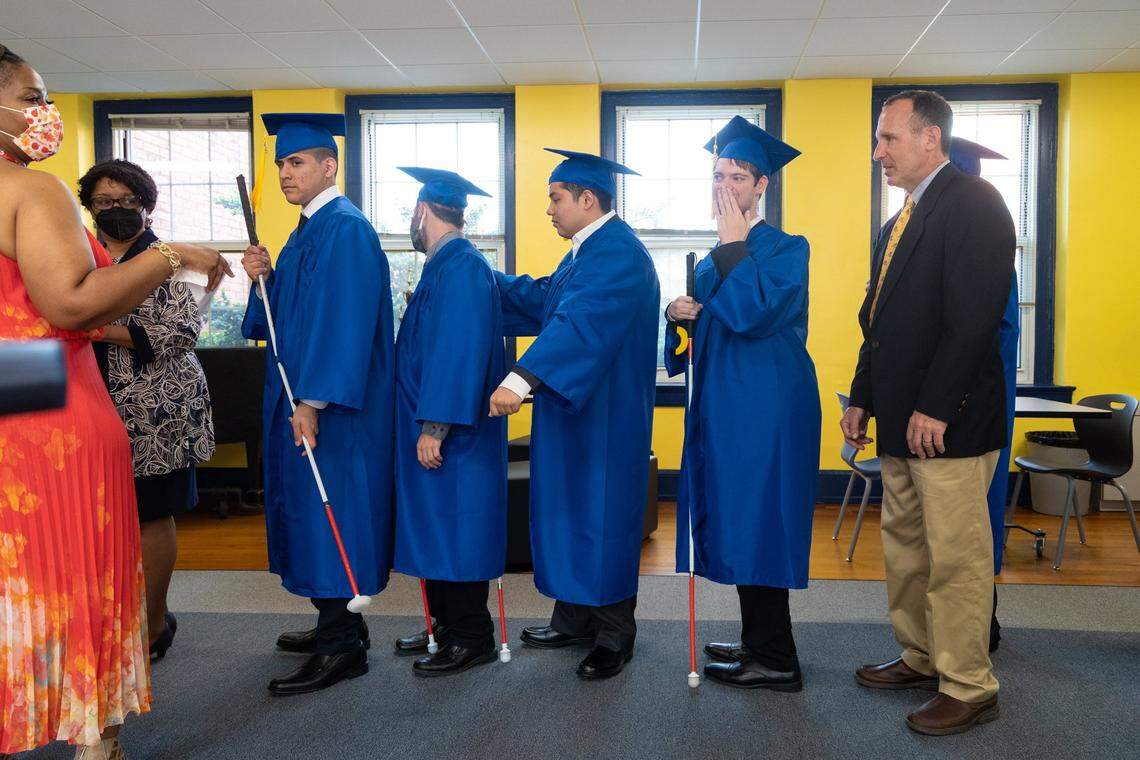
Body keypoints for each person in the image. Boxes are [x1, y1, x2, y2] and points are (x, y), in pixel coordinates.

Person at [0, 44, 230, 760]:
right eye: (33, 97)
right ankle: (94, 738)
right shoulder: (31, 192)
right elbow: (67, 306)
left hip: (13, 387)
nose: (46, 112)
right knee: (79, 570)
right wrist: (173, 256)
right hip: (50, 409)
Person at [841, 90, 1015, 736]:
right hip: (898, 425)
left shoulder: (975, 204)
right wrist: (862, 395)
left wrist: (936, 408)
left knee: (956, 557)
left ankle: (970, 684)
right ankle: (920, 656)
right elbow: (878, 325)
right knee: (907, 552)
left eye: (888, 139)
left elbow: (973, 322)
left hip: (953, 429)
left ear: (929, 140)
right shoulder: (897, 224)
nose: (877, 152)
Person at [488, 148, 659, 680]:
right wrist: (475, 276)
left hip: (605, 419)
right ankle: (573, 618)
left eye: (556, 199)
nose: (550, 210)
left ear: (588, 199)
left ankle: (614, 633)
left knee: (600, 518)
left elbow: (578, 324)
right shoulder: (587, 251)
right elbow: (545, 301)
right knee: (568, 514)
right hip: (573, 412)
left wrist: (519, 377)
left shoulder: (618, 254)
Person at [663, 117, 821, 693]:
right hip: (727, 406)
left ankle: (777, 657)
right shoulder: (715, 256)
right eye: (717, 175)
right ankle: (757, 640)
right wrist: (681, 320)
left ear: (761, 187)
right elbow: (712, 327)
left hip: (767, 409)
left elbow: (754, 313)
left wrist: (731, 247)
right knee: (737, 518)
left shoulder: (785, 249)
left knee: (760, 521)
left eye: (736, 177)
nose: (723, 186)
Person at [241, 112, 396, 697]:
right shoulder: (309, 229)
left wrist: (312, 400)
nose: (285, 173)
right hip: (303, 398)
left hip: (331, 410)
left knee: (330, 516)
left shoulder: (346, 229)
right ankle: (336, 621)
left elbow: (345, 325)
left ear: (328, 166)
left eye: (297, 162)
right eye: (282, 163)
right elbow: (287, 323)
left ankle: (343, 646)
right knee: (306, 516)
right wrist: (265, 277)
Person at [80, 159, 217, 662]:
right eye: (103, 203)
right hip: (86, 401)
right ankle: (106, 618)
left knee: (151, 513)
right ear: (89, 209)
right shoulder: (79, 255)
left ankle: (154, 621)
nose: (115, 211)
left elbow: (181, 333)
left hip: (158, 409)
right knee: (95, 517)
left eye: (127, 202)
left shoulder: (173, 259)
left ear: (147, 206)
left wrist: (95, 329)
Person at [390, 167, 507, 676]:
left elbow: (457, 351)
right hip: (433, 429)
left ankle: (472, 636)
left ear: (421, 213)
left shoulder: (459, 267)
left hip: (452, 436)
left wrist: (435, 424)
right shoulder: (446, 265)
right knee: (436, 531)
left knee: (457, 532)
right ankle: (445, 625)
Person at [947, 136, 1020, 654]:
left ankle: (979, 628)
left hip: (976, 404)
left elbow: (981, 333)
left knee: (975, 520)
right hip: (948, 403)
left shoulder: (988, 251)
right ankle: (945, 634)